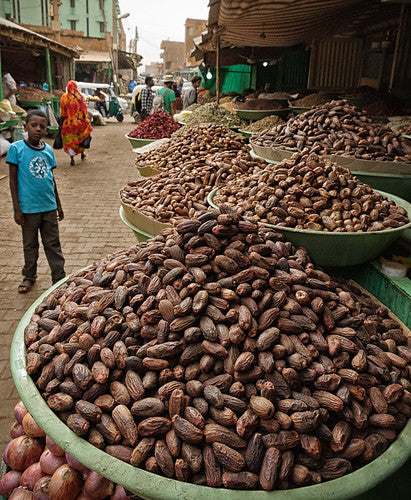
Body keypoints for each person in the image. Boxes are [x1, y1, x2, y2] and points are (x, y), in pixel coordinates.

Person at [6, 110, 65, 293]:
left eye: (42, 126)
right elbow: (13, 180)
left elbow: (51, 178)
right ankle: (29, 276)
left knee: (53, 243)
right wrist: (17, 208)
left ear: (47, 129)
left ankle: (59, 277)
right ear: (25, 127)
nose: (38, 129)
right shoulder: (16, 149)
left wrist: (58, 204)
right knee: (30, 244)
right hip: (28, 208)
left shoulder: (48, 150)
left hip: (48, 206)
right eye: (34, 125)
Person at [60, 81, 92, 166]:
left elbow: (62, 113)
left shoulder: (64, 97)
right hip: (80, 123)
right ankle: (82, 153)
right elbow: (84, 111)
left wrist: (61, 124)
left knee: (70, 141)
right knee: (81, 139)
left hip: (68, 124)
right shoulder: (80, 97)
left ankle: (72, 158)